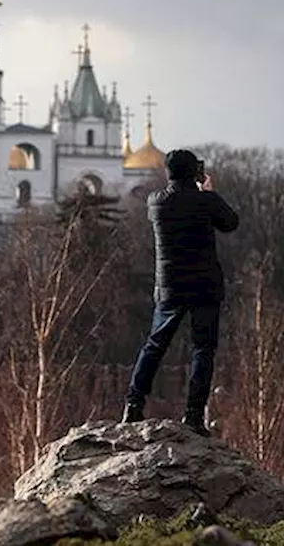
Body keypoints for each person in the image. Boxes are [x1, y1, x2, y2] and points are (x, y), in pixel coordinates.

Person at [123, 149, 239, 436]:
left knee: (155, 345)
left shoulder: (156, 201)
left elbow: (176, 204)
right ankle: (194, 416)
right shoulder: (205, 201)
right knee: (202, 349)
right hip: (204, 286)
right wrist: (209, 192)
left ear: (168, 173)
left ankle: (133, 406)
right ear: (193, 173)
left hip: (169, 287)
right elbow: (230, 222)